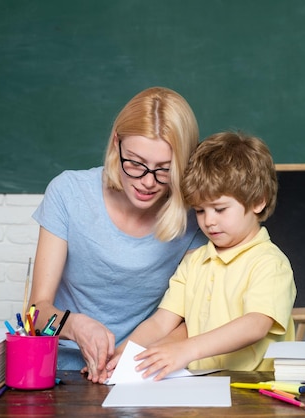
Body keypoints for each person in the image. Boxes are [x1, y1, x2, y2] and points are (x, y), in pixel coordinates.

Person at [29, 86, 207, 383]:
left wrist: (136, 355)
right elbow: (37, 312)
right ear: (116, 144)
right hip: (60, 372)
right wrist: (75, 326)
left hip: (143, 371)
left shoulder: (197, 215)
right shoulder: (68, 193)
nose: (147, 182)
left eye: (164, 170)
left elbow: (194, 318)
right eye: (135, 163)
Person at [108, 131, 297, 381]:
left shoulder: (269, 263)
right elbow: (162, 322)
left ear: (258, 202)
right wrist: (126, 354)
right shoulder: (195, 261)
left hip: (257, 390)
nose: (209, 221)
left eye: (220, 209)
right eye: (199, 210)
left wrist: (187, 349)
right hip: (203, 386)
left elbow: (255, 325)